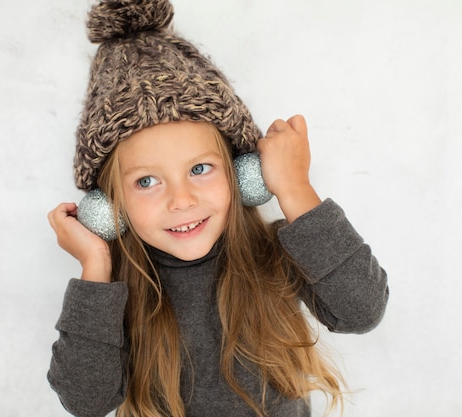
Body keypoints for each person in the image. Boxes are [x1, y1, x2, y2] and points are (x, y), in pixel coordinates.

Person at [46, 1, 389, 416]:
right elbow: (87, 401)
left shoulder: (277, 252)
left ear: (246, 175)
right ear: (107, 208)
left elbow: (362, 310)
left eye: (201, 168)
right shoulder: (114, 287)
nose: (182, 200)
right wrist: (95, 266)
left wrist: (296, 189)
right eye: (147, 181)